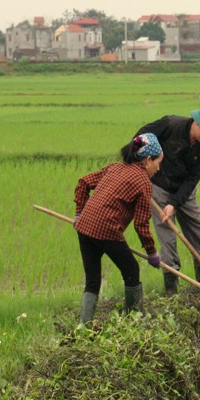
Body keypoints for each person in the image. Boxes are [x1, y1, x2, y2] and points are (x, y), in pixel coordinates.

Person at [73, 134, 163, 326]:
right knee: (131, 270)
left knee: (93, 279)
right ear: (148, 160)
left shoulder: (115, 167)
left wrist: (79, 214)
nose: (159, 168)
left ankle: (84, 325)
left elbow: (83, 182)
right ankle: (133, 320)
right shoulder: (143, 182)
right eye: (158, 163)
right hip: (106, 229)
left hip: (85, 227)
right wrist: (152, 252)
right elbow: (141, 224)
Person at [134, 106, 200, 294]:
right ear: (196, 123)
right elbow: (141, 136)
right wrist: (139, 166)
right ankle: (172, 293)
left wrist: (174, 203)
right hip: (159, 186)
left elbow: (193, 177)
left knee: (199, 232)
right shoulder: (170, 125)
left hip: (184, 191)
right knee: (168, 241)